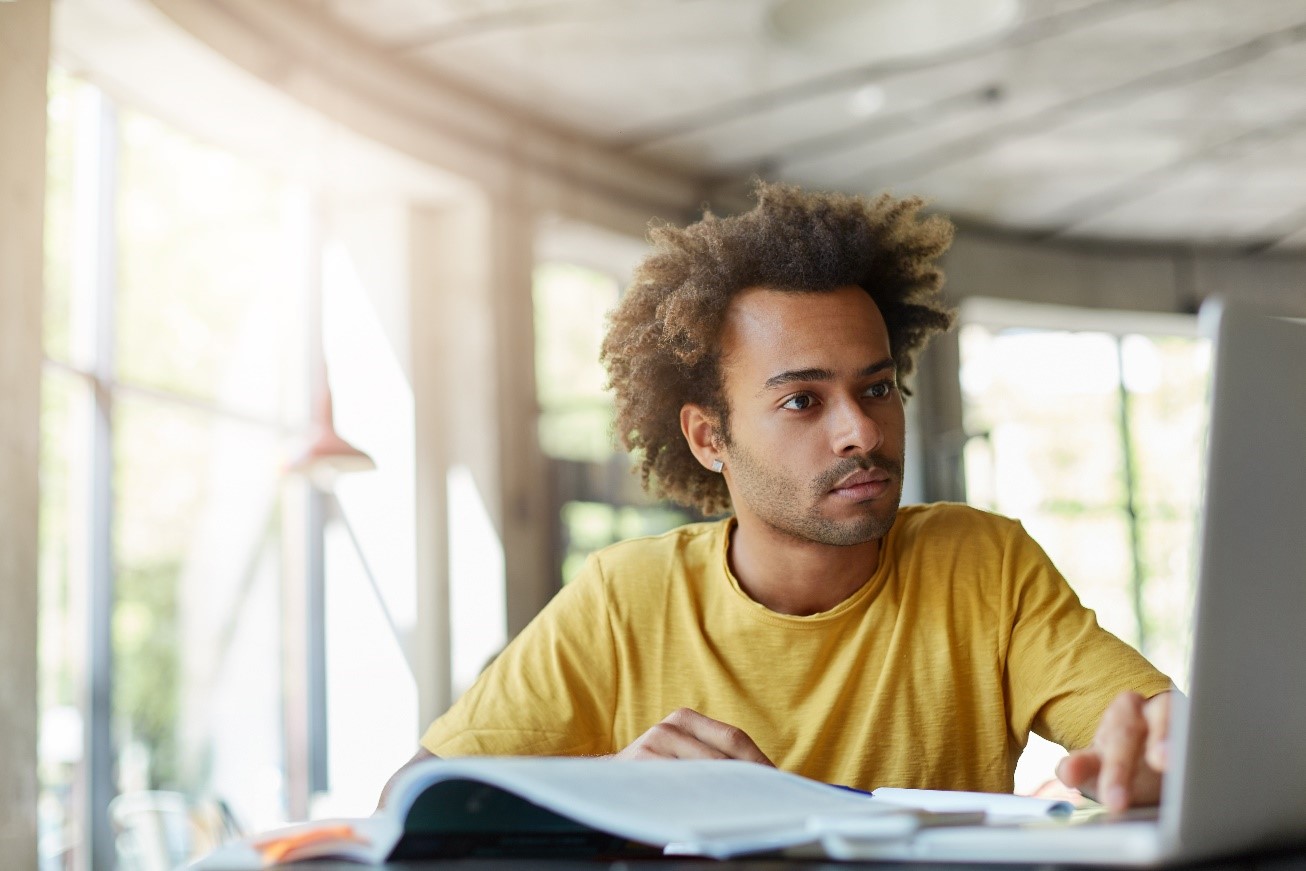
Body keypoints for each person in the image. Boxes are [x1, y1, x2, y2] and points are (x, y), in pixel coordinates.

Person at [382, 182, 1175, 813]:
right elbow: (405, 805)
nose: (860, 430)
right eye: (803, 401)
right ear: (708, 438)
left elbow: (1172, 739)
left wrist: (1161, 760)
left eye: (877, 387)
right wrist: (608, 797)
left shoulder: (983, 563)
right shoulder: (625, 598)